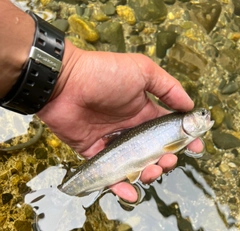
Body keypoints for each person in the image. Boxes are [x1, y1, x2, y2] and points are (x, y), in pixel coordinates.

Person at [0, 0, 202, 202]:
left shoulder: (180, 131)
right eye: (201, 115)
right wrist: (65, 77)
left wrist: (65, 77)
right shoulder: (179, 132)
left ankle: (61, 194)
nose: (205, 115)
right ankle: (61, 195)